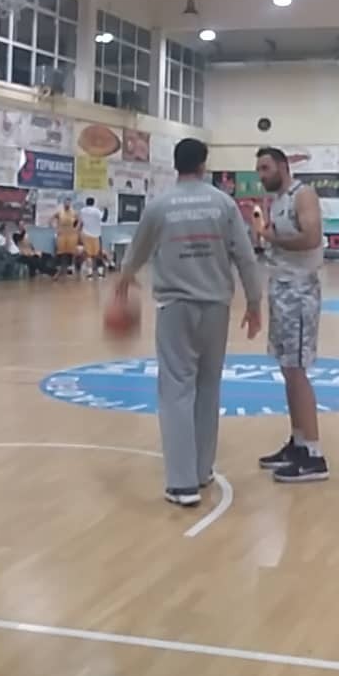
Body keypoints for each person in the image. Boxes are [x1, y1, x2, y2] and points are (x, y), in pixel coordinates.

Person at [117, 138, 262, 509]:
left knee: (176, 391)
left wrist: (124, 282)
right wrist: (255, 302)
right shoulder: (224, 204)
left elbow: (136, 252)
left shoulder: (160, 205)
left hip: (175, 306)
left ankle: (182, 485)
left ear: (175, 165)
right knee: (208, 387)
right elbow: (245, 257)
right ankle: (201, 470)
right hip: (216, 307)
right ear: (203, 164)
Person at [256, 146, 329, 484]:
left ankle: (314, 455)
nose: (261, 175)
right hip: (280, 288)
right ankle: (298, 442)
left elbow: (311, 238)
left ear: (283, 167)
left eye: (266, 168)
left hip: (300, 291)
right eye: (259, 169)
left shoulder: (303, 195)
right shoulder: (277, 201)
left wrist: (272, 237)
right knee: (287, 369)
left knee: (297, 371)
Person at [79, 197, 107, 278]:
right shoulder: (96, 211)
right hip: (96, 235)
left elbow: (80, 222)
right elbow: (104, 219)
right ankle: (100, 274)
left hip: (86, 235)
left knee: (88, 255)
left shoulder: (82, 211)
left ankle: (89, 274)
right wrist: (106, 210)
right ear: (93, 203)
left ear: (86, 203)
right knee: (98, 254)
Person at [51, 197, 79, 277]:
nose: (67, 204)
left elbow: (80, 221)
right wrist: (55, 228)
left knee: (71, 252)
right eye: (66, 203)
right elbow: (51, 219)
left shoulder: (73, 212)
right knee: (61, 252)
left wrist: (76, 229)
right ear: (64, 204)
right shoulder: (59, 212)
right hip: (62, 234)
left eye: (68, 203)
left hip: (71, 234)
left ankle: (71, 268)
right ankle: (60, 269)